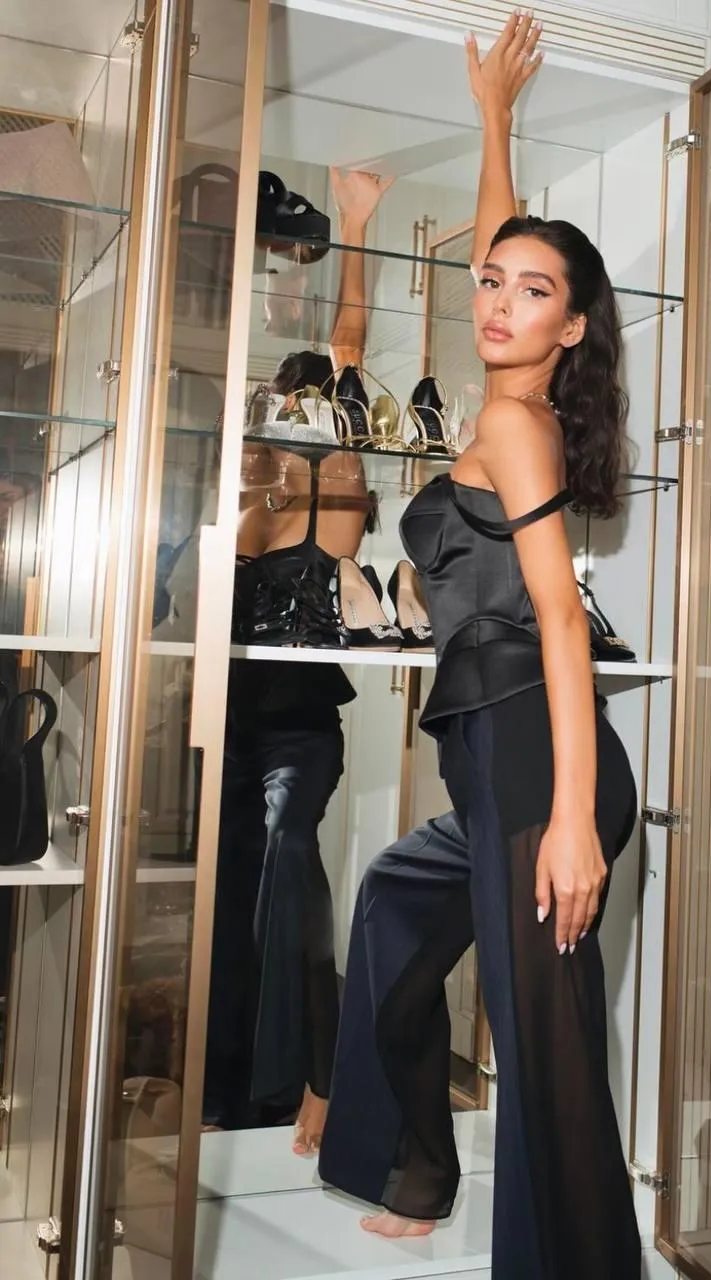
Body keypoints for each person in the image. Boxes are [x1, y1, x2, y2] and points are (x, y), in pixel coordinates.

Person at [318, 13, 641, 1278]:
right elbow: (514, 244)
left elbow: (560, 617)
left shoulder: (514, 429)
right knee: (396, 910)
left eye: (532, 292)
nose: (499, 301)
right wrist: (494, 120)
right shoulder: (514, 400)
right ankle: (417, 1163)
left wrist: (571, 824)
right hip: (495, 765)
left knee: (542, 1042)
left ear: (573, 327)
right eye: (490, 281)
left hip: (534, 768)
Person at [202, 170, 391, 1155]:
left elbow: (347, 343)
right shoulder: (303, 477)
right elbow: (349, 343)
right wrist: (353, 224)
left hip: (283, 723)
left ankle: (304, 1078)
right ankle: (249, 1080)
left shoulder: (306, 476)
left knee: (281, 877)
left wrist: (355, 221)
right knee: (248, 884)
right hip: (259, 722)